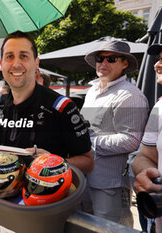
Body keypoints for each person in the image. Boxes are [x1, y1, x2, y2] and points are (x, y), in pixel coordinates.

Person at [0, 31, 94, 175]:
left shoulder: (61, 107)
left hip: (44, 194)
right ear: (2, 64)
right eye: (9, 57)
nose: (16, 64)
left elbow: (88, 162)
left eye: (24, 56)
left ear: (36, 63)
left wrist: (54, 162)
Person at [80, 40, 149, 227]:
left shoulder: (130, 95)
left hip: (109, 184)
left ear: (124, 63)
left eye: (111, 59)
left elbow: (131, 140)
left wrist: (88, 142)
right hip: (84, 178)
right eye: (100, 58)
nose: (103, 63)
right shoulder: (92, 91)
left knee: (111, 229)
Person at [133, 43, 162, 233]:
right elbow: (144, 156)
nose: (157, 65)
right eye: (159, 59)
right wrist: (145, 174)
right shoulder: (159, 107)